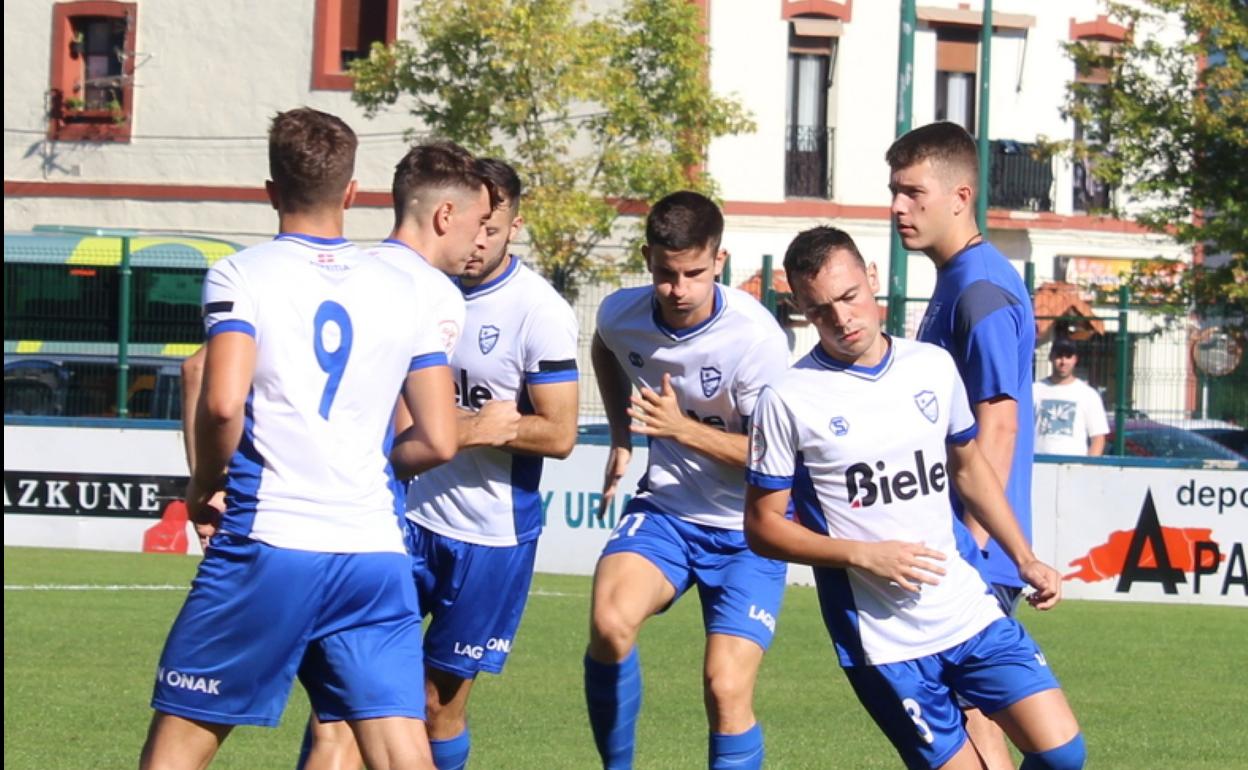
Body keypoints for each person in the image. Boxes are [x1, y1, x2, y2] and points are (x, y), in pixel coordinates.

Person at [140, 107, 460, 770]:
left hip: (271, 543)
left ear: (269, 190)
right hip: (374, 554)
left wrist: (204, 486)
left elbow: (224, 400)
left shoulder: (242, 274)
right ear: (351, 193)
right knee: (403, 755)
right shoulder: (407, 291)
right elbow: (438, 439)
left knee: (176, 751)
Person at [744, 226, 1085, 770]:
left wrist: (1023, 557)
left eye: (850, 297)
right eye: (821, 309)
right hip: (885, 644)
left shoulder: (930, 366)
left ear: (872, 279)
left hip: (967, 609)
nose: (843, 319)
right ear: (799, 309)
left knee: (1064, 753)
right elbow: (762, 528)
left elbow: (970, 468)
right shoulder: (787, 399)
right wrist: (863, 554)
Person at [297, 146, 525, 770]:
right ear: (445, 214)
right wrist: (480, 427)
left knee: (329, 727)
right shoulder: (433, 294)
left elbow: (207, 369)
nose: (481, 241)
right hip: (367, 535)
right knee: (396, 734)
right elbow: (421, 439)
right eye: (480, 223)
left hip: (286, 529)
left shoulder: (343, 269)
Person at [585, 191, 790, 770]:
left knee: (725, 690)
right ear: (649, 258)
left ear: (718, 262)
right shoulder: (620, 314)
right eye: (666, 273)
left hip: (750, 530)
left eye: (694, 274)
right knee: (609, 623)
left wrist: (682, 429)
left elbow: (775, 459)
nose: (678, 289)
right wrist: (623, 434)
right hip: (668, 515)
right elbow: (606, 347)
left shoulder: (757, 340)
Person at [889, 121, 1037, 769]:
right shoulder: (959, 279)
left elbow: (998, 423)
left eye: (913, 192)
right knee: (974, 720)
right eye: (894, 191)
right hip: (957, 545)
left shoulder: (978, 290)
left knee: (968, 719)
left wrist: (974, 541)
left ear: (960, 196)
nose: (898, 207)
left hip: (968, 551)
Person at [1033, 339, 1108, 457]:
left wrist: (1087, 468)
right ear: (1051, 358)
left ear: (1075, 360)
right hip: (1038, 465)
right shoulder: (1034, 390)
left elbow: (1098, 438)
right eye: (1059, 356)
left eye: (1068, 356)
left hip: (1074, 468)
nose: (1063, 362)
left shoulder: (1088, 395)